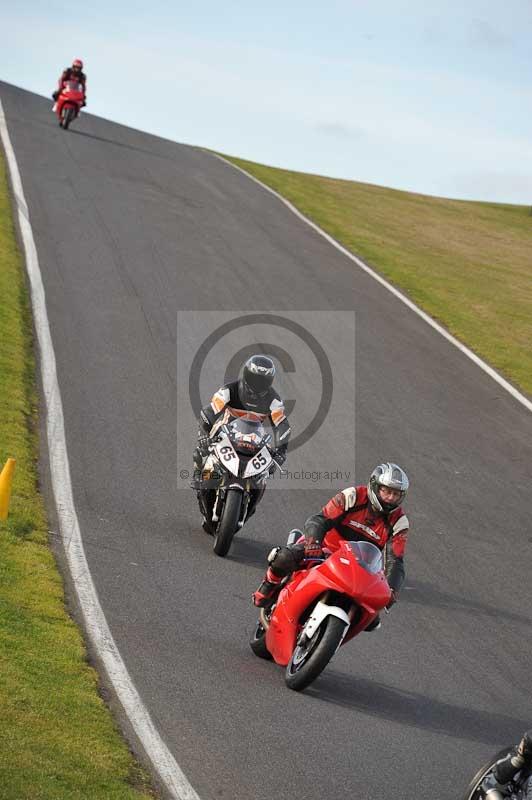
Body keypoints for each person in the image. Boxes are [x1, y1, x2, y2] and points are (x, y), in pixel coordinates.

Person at [252, 462, 410, 631]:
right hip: (325, 550)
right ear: (374, 486)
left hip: (361, 568)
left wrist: (391, 589)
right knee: (283, 558)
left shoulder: (399, 521)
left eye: (395, 494)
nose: (390, 498)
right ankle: (269, 584)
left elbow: (395, 559)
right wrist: (314, 542)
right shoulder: (353, 496)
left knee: (371, 620)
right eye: (386, 491)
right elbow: (320, 519)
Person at [193, 354, 291, 481]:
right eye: (254, 379)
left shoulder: (274, 400)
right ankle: (199, 474)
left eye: (262, 381)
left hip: (255, 436)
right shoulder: (229, 390)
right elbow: (210, 411)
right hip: (224, 430)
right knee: (202, 451)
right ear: (246, 374)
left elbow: (281, 425)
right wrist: (203, 434)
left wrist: (280, 451)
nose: (257, 385)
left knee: (269, 466)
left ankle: (255, 485)